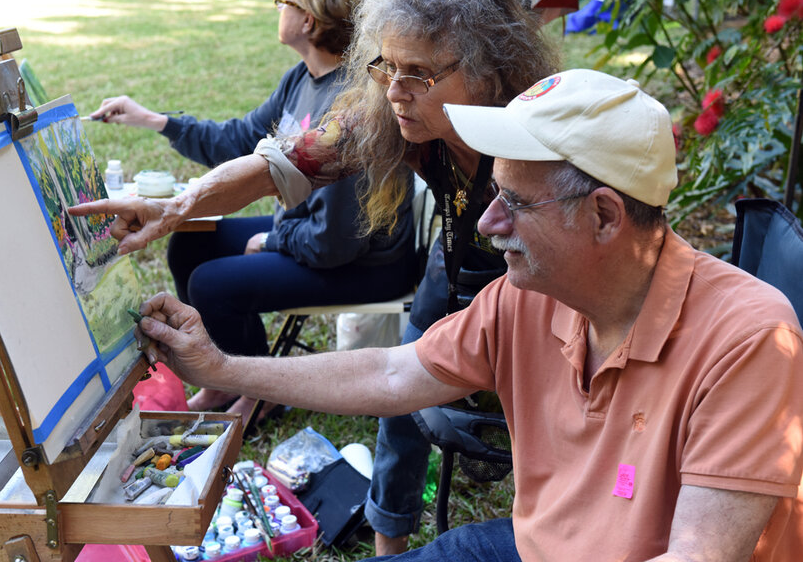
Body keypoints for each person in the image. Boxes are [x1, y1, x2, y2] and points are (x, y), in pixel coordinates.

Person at [132, 69, 803, 561]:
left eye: (515, 201)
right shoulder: (531, 293)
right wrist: (222, 368)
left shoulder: (746, 338)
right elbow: (396, 376)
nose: (487, 220)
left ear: (604, 216)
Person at [70, 0, 557, 551]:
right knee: (405, 393)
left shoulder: (538, 153)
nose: (395, 90)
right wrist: (179, 206)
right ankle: (389, 537)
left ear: (484, 71)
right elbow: (283, 163)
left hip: (536, 275)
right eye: (385, 66)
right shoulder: (390, 109)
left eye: (420, 74)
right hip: (453, 258)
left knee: (524, 407)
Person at [90, 0, 416, 422]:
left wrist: (272, 240)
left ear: (308, 19)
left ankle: (253, 386)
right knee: (190, 243)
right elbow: (237, 140)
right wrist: (154, 120)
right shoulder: (301, 79)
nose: (277, 8)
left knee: (211, 285)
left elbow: (336, 240)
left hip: (363, 261)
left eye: (283, 0)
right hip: (316, 232)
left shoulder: (353, 108)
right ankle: (229, 381)